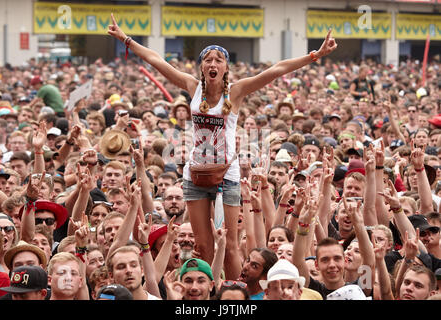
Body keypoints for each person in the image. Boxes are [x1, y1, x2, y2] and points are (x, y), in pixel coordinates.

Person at [108, 16, 337, 282]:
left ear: (226, 67)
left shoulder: (236, 91)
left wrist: (315, 55)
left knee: (229, 244)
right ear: (202, 67)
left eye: (219, 59)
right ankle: (207, 291)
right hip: (196, 173)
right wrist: (125, 39)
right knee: (203, 246)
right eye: (208, 59)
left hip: (227, 173)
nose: (213, 63)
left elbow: (276, 70)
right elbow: (157, 60)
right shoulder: (193, 88)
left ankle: (234, 292)